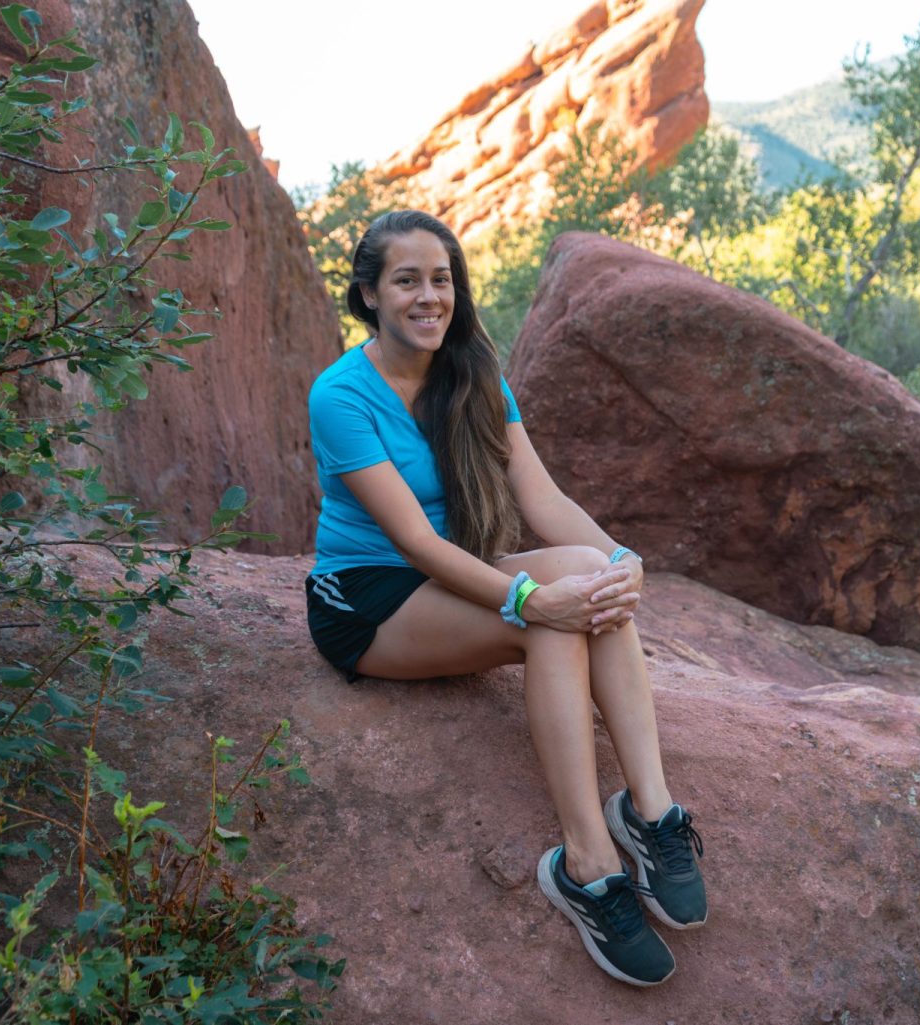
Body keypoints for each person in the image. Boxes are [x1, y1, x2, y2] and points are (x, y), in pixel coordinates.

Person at [303, 210, 706, 987]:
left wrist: (622, 559)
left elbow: (543, 499)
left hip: (461, 571)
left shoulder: (473, 373)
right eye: (407, 280)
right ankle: (587, 866)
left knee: (588, 573)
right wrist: (528, 598)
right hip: (370, 597)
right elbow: (416, 545)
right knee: (552, 618)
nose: (430, 297)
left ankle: (650, 813)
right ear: (368, 294)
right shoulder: (340, 394)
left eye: (442, 279)